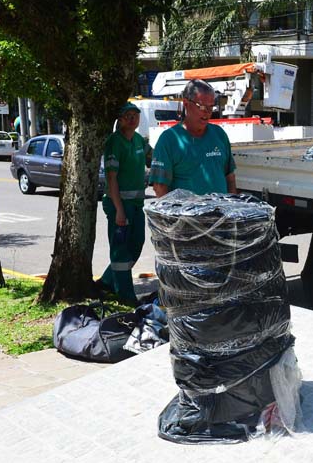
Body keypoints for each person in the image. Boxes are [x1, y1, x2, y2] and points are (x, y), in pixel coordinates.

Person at [98, 102, 150, 304]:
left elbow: (153, 156)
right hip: (120, 205)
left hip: (137, 204)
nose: (132, 119)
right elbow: (111, 179)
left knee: (136, 244)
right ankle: (126, 296)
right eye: (127, 115)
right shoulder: (114, 142)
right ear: (120, 120)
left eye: (135, 115)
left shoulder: (138, 140)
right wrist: (119, 210)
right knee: (120, 251)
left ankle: (107, 281)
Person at [148, 79, 237, 197]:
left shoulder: (219, 134)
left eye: (210, 107)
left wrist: (233, 207)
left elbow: (229, 177)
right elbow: (159, 188)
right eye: (201, 106)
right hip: (185, 215)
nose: (207, 112)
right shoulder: (169, 140)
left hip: (221, 213)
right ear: (186, 103)